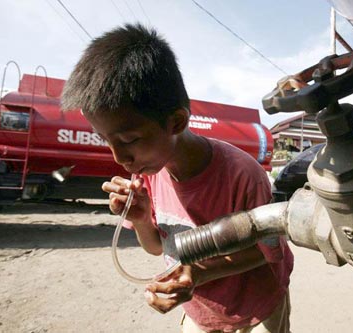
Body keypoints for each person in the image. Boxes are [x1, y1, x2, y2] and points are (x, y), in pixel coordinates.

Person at [61, 23, 293, 333]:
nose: (119, 158)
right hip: (202, 309)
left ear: (176, 121)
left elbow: (268, 251)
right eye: (106, 140)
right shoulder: (149, 175)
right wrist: (142, 220)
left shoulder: (242, 174)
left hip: (258, 303)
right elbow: (158, 248)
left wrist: (198, 274)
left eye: (129, 139)